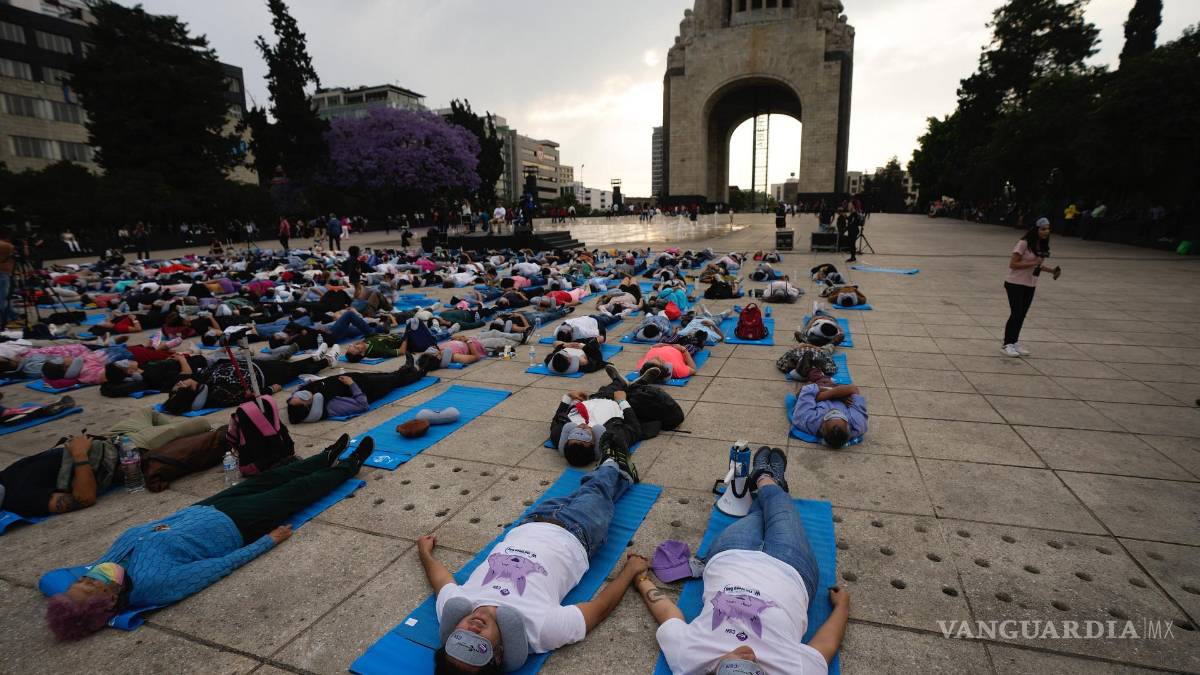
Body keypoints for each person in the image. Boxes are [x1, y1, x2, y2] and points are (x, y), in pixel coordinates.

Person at [43, 434, 376, 641]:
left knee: (270, 478)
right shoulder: (154, 585)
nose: (88, 577)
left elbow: (49, 579)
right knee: (296, 491)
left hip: (202, 511)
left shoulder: (107, 567)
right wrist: (269, 540)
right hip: (234, 527)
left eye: (82, 580)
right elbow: (218, 567)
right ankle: (348, 466)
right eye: (88, 586)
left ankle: (324, 457)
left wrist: (71, 591)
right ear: (107, 601)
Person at [418, 445, 647, 673]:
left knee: (593, 491)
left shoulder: (456, 606)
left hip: (532, 521)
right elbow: (598, 609)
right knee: (597, 489)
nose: (472, 630)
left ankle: (618, 476)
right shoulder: (541, 630)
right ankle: (613, 460)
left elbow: (440, 580)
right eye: (477, 647)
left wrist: (424, 552)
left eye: (459, 640)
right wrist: (630, 571)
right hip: (580, 531)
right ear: (498, 656)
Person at [636, 447, 849, 675]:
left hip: (730, 556)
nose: (749, 655)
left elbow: (668, 615)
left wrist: (639, 579)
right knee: (781, 508)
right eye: (755, 667)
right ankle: (766, 479)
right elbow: (824, 647)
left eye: (736, 661)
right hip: (792, 567)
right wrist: (842, 607)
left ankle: (767, 481)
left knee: (759, 513)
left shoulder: (687, 659)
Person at [550, 375, 684, 467]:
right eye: (584, 436)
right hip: (620, 405)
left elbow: (557, 419)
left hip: (596, 399)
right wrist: (622, 401)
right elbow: (634, 429)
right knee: (645, 396)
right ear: (594, 445)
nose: (581, 427)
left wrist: (568, 397)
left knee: (611, 387)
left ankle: (620, 381)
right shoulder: (613, 438)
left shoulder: (559, 434)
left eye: (575, 433)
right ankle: (640, 383)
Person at [0, 428, 111, 518]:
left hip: (101, 447)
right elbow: (84, 499)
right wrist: (80, 455)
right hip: (109, 461)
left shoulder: (4, 478)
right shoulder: (19, 499)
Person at [286, 361, 428, 423]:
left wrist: (306, 385)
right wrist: (351, 384)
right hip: (369, 388)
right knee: (396, 380)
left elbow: (298, 392)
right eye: (302, 397)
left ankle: (407, 368)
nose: (300, 394)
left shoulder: (306, 393)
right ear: (308, 407)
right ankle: (421, 372)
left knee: (388, 374)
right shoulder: (331, 407)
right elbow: (362, 405)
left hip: (360, 378)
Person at [1002, 218, 1061, 358]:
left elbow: (1037, 266)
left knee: (1022, 315)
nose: (1046, 231)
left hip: (1030, 284)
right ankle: (1007, 344)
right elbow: (1013, 264)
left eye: (1048, 228)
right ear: (1036, 229)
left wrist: (1052, 271)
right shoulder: (1023, 244)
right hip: (1015, 283)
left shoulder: (1041, 246)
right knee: (1016, 313)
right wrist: (1033, 262)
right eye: (1043, 229)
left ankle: (1014, 342)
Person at [790, 379, 868, 449]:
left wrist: (824, 394)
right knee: (825, 380)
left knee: (811, 380)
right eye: (841, 416)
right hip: (835, 391)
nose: (834, 410)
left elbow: (807, 389)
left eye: (829, 416)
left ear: (822, 428)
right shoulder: (858, 424)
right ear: (848, 426)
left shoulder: (806, 420)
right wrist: (839, 395)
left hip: (820, 389)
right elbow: (853, 389)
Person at [634, 336, 706, 384]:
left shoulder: (642, 366)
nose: (656, 357)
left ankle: (678, 333)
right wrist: (684, 350)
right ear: (663, 365)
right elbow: (693, 370)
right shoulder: (678, 371)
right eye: (658, 359)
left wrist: (653, 347)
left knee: (672, 337)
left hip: (665, 345)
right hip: (680, 349)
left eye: (652, 358)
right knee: (692, 343)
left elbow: (648, 353)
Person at [0, 229, 14, 326]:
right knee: (3, 298)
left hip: (4, 273)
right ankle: (3, 319)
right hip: (3, 273)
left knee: (3, 298)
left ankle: (10, 316)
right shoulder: (7, 246)